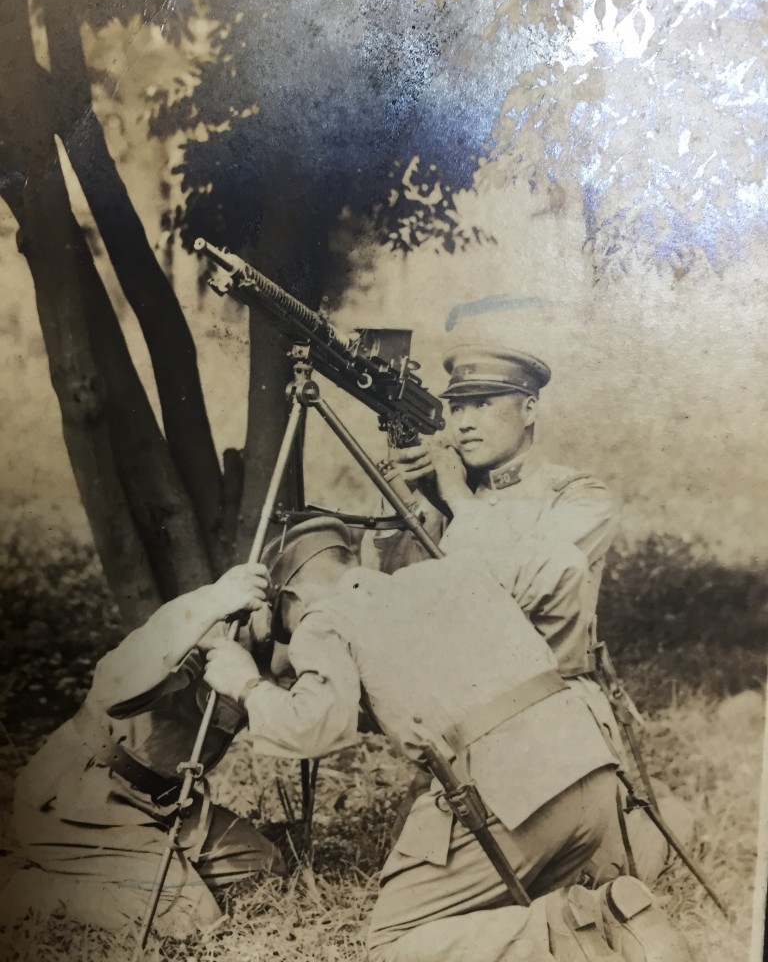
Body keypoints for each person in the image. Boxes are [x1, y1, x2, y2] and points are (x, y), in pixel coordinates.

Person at [203, 516, 691, 962]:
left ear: (290, 599)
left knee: (392, 944)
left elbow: (312, 727)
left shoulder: (322, 615)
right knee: (511, 896)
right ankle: (620, 906)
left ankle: (570, 926)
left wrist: (247, 685)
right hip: (589, 767)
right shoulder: (452, 573)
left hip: (515, 800)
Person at [369, 343, 693, 882]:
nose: (465, 422)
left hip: (555, 713)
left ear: (530, 409)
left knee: (597, 879)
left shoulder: (579, 494)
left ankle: (660, 821)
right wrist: (406, 502)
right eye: (457, 408)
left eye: (484, 403)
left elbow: (523, 580)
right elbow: (397, 590)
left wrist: (455, 496)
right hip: (469, 720)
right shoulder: (446, 495)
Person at [2, 564, 286, 938]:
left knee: (261, 862)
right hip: (82, 800)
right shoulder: (207, 622)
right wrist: (214, 600)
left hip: (165, 804)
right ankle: (25, 890)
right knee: (191, 919)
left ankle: (135, 870)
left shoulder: (284, 649)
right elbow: (113, 687)